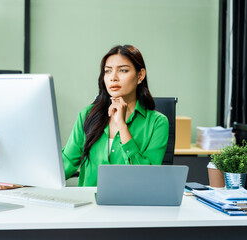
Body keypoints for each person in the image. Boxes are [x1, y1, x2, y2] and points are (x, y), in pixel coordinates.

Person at [62, 45, 169, 186]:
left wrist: (122, 127)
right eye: (108, 71)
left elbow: (146, 177)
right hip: (90, 204)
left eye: (123, 70)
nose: (113, 78)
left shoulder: (158, 123)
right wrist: (30, 181)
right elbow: (67, 162)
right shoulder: (87, 115)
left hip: (131, 204)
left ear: (140, 75)